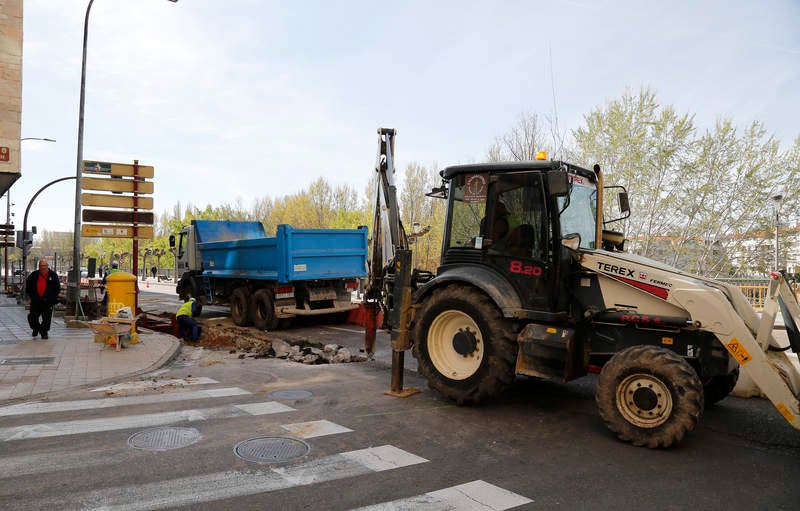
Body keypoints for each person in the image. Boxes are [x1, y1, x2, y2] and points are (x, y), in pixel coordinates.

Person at [25, 259, 60, 339]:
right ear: (39, 267)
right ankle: (36, 328)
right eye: (41, 266)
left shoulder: (53, 275)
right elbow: (28, 286)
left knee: (46, 318)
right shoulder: (34, 275)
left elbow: (57, 288)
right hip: (36, 300)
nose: (43, 268)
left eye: (44, 266)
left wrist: (52, 298)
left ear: (47, 266)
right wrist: (31, 296)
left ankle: (44, 333)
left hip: (47, 301)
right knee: (32, 317)